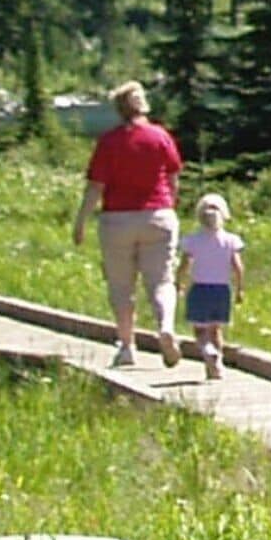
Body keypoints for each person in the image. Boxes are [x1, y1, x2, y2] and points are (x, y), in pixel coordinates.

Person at [74, 81, 184, 369]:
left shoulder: (109, 141)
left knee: (121, 287)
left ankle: (126, 346)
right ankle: (166, 327)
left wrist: (81, 222)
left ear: (118, 109)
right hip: (158, 215)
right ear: (143, 105)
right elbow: (173, 177)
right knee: (161, 280)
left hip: (117, 220)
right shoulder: (160, 136)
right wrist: (169, 206)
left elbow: (95, 186)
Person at [179, 193, 245, 382]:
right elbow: (238, 267)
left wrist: (178, 281)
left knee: (200, 330)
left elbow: (185, 265)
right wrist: (240, 288)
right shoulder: (231, 240)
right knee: (216, 329)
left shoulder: (192, 240)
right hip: (222, 289)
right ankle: (217, 366)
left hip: (200, 288)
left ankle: (208, 352)